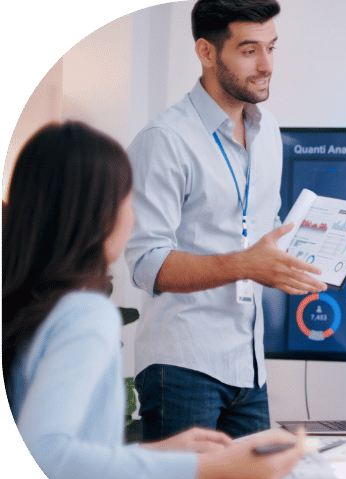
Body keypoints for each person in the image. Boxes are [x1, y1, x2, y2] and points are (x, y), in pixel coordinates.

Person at [2, 121, 306, 479]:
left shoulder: (33, 307)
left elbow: (73, 451)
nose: (135, 215)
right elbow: (44, 457)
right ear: (98, 213)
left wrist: (161, 452)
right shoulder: (85, 315)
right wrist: (210, 469)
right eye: (130, 197)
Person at [125, 0, 327, 441]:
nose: (266, 65)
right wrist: (247, 264)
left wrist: (311, 254)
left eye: (271, 48)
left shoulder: (268, 130)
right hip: (182, 364)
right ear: (207, 51)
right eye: (249, 50)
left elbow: (260, 232)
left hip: (248, 367)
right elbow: (147, 264)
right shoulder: (165, 140)